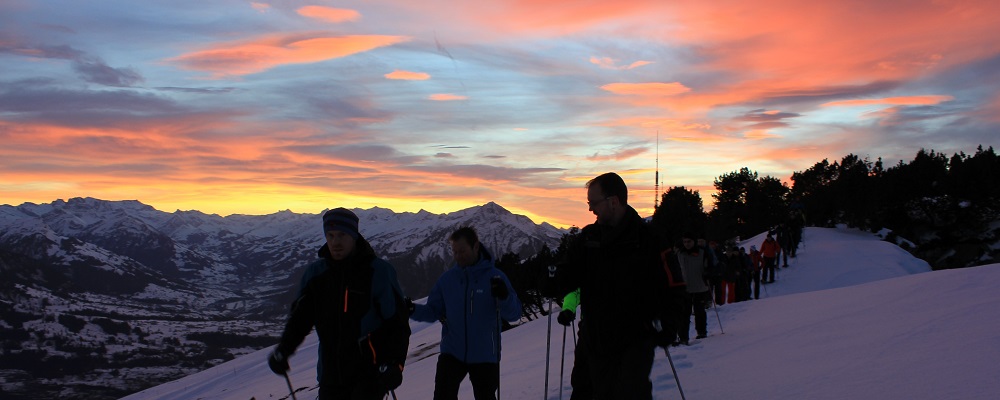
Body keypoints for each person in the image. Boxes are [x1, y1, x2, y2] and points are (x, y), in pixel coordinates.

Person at [546, 172, 675, 399]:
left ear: (613, 201)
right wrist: (552, 281)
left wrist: (671, 323)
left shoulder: (649, 239)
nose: (590, 209)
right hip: (594, 338)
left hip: (635, 339)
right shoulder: (588, 239)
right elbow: (569, 274)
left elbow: (672, 283)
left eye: (593, 203)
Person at [267, 208, 411, 399]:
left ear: (354, 236)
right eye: (330, 235)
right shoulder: (316, 275)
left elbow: (397, 323)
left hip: (370, 375)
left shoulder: (378, 272)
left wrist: (396, 364)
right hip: (330, 376)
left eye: (342, 235)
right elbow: (300, 321)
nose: (335, 242)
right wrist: (284, 350)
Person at [409, 226, 522, 400]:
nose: (458, 256)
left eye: (462, 251)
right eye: (454, 252)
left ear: (476, 247)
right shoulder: (447, 280)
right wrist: (411, 309)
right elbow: (433, 311)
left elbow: (514, 314)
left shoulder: (495, 277)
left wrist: (505, 297)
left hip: (485, 354)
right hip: (452, 351)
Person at [556, 288, 592, 400]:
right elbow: (575, 290)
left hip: (621, 328)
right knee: (582, 378)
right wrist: (568, 308)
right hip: (590, 328)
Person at [676, 233, 711, 342]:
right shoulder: (679, 253)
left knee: (699, 311)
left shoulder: (702, 252)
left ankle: (701, 332)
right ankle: (683, 337)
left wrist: (707, 274)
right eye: (685, 242)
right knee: (684, 314)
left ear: (694, 241)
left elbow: (709, 266)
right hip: (685, 288)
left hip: (700, 286)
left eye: (689, 241)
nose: (686, 244)